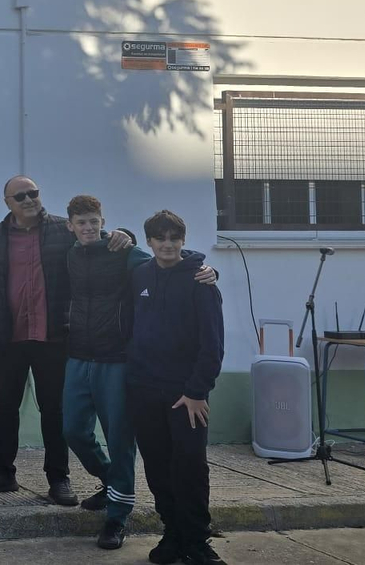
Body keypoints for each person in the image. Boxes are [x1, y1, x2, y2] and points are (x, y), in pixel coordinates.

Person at [0, 177, 214, 503]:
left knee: (55, 411)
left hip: (54, 337)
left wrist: (198, 264)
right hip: (8, 338)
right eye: (20, 195)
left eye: (34, 193)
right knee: (5, 408)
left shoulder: (61, 229)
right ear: (7, 202)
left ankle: (58, 478)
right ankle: (2, 471)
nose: (28, 199)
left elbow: (138, 249)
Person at [128, 211, 224, 565]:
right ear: (149, 241)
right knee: (157, 466)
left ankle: (198, 542)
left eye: (174, 238)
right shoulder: (139, 274)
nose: (167, 245)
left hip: (187, 395)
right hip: (144, 391)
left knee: (190, 467)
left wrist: (197, 391)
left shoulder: (201, 281)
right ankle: (172, 533)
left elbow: (212, 344)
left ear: (183, 240)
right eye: (160, 238)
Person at [62, 195, 148, 550]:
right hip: (79, 356)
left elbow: (164, 260)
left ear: (102, 221)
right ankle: (112, 479)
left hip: (115, 359)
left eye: (92, 221)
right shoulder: (71, 255)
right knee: (74, 430)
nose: (87, 228)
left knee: (119, 437)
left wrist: (206, 269)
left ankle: (117, 517)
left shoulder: (123, 251)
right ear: (70, 225)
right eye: (80, 222)